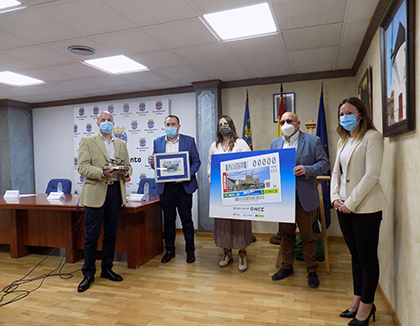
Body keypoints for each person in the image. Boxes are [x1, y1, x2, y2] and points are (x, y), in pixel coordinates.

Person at [331, 97, 387, 325]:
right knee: (355, 256)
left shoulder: (373, 137)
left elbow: (372, 175)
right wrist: (335, 197)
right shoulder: (342, 140)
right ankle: (357, 300)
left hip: (366, 209)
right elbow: (337, 173)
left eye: (349, 112)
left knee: (367, 259)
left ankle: (366, 307)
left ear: (361, 114)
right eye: (341, 113)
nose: (344, 117)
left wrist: (350, 204)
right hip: (342, 206)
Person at [270, 112, 329, 288]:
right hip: (284, 197)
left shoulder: (312, 141)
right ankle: (286, 267)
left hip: (305, 197)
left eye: (289, 121)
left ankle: (312, 270)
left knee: (307, 236)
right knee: (286, 235)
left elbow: (325, 163)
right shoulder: (275, 143)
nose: (285, 124)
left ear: (298, 123)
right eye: (282, 122)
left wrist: (307, 169)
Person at [77, 111, 132, 293]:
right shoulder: (88, 141)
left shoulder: (121, 143)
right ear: (97, 123)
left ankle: (107, 269)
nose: (106, 123)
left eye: (109, 120)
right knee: (92, 235)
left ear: (113, 123)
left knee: (111, 234)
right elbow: (82, 166)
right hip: (96, 192)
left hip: (115, 192)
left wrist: (126, 172)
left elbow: (129, 166)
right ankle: (88, 273)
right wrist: (102, 172)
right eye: (103, 120)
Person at [150, 115, 201, 264]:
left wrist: (186, 175)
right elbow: (157, 165)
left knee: (187, 220)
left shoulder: (189, 141)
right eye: (168, 124)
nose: (170, 127)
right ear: (164, 126)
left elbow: (196, 162)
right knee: (169, 221)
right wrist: (152, 162)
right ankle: (170, 250)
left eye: (173, 124)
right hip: (166, 188)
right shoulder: (157, 142)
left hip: (183, 188)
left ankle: (190, 251)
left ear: (179, 126)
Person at [207, 115, 252, 272]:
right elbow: (209, 166)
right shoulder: (214, 146)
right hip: (220, 191)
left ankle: (242, 254)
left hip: (239, 190)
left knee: (240, 223)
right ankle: (226, 253)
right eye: (220, 124)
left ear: (231, 126)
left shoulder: (241, 143)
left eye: (225, 123)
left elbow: (250, 163)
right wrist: (210, 177)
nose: (223, 126)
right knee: (223, 223)